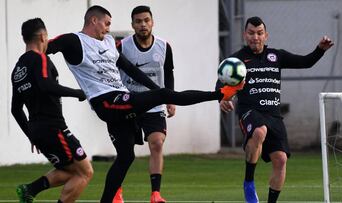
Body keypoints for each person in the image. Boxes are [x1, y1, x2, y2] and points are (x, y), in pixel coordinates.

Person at [46, 5, 244, 203]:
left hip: (121, 100)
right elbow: (43, 48)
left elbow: (131, 69)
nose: (108, 29)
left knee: (126, 156)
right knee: (164, 95)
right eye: (106, 24)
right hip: (106, 102)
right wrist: (43, 76)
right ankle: (221, 94)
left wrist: (155, 90)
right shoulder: (73, 40)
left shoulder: (108, 42)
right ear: (94, 21)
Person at [217, 16, 334, 203]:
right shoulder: (236, 60)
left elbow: (305, 62)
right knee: (259, 131)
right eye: (251, 33)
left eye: (259, 33)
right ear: (244, 35)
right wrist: (221, 99)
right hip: (250, 112)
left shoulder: (276, 56)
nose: (255, 37)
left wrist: (320, 49)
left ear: (266, 35)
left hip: (273, 115)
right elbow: (221, 83)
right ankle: (249, 182)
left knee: (280, 160)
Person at [11, 18, 93, 203]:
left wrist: (31, 134)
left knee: (68, 170)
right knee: (85, 172)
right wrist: (78, 93)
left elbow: (15, 109)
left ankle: (29, 189)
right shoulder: (39, 58)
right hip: (54, 128)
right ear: (42, 36)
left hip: (39, 130)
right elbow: (46, 86)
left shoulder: (18, 69)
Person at [115, 5, 175, 202]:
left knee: (157, 143)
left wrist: (171, 99)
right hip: (129, 103)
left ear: (152, 22)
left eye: (146, 20)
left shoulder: (164, 46)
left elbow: (168, 72)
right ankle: (116, 190)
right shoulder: (122, 46)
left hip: (153, 104)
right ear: (132, 24)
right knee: (125, 151)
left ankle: (155, 194)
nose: (143, 25)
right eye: (138, 21)